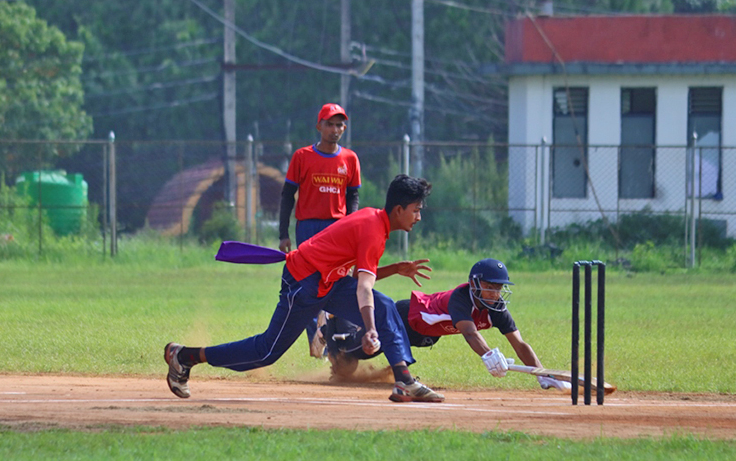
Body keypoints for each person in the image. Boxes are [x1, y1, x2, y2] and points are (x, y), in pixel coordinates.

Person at [164, 174, 445, 403]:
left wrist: (395, 269)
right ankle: (185, 356)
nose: (418, 217)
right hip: (303, 282)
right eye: (416, 210)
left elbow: (360, 279)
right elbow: (363, 289)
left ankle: (404, 379)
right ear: (399, 210)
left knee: (384, 305)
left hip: (327, 282)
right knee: (266, 351)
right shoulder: (373, 230)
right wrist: (371, 329)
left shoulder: (376, 223)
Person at [320, 258, 572, 391]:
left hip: (425, 335)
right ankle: (331, 326)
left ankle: (339, 331)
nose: (496, 293)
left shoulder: (497, 309)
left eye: (499, 288)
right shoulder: (460, 299)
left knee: (380, 350)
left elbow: (520, 344)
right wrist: (488, 354)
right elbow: (470, 333)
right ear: (475, 283)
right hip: (405, 316)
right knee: (359, 354)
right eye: (490, 287)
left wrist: (543, 374)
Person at [279, 103, 361, 357]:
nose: (334, 129)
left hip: (337, 228)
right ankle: (317, 338)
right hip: (309, 228)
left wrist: (355, 230)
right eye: (329, 124)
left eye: (339, 125)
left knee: (338, 284)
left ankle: (337, 342)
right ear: (319, 126)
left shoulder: (349, 158)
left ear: (344, 128)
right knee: (308, 285)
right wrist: (284, 233)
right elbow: (287, 196)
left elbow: (353, 197)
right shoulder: (302, 157)